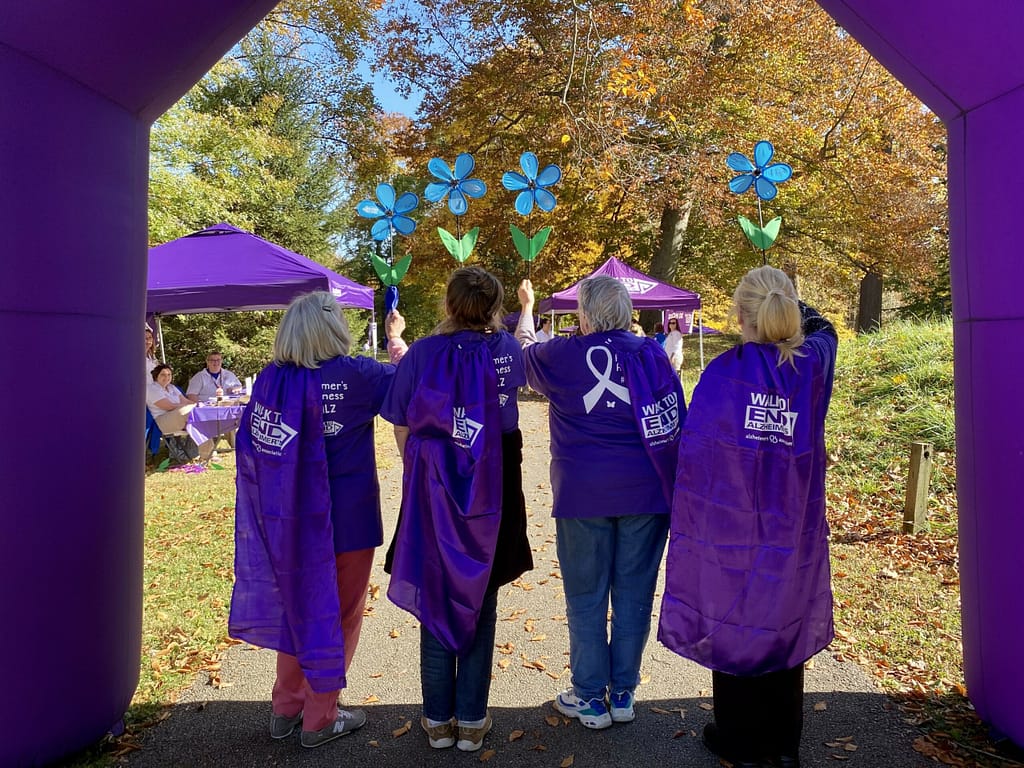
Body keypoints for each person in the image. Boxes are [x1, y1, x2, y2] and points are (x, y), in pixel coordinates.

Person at [658, 266, 838, 768]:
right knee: (782, 619)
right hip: (790, 523)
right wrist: (790, 301)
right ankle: (783, 744)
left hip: (734, 526)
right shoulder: (813, 364)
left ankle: (739, 737)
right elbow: (828, 331)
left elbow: (697, 455)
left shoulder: (722, 374)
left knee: (734, 616)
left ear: (739, 315)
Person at [228, 291, 406, 750]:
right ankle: (321, 715)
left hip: (287, 519)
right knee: (340, 616)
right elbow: (410, 386)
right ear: (334, 329)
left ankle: (286, 707)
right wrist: (396, 340)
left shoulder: (270, 380)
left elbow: (253, 444)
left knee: (295, 609)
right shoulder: (359, 374)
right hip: (347, 520)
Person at [515, 276, 685, 730]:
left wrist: (528, 307)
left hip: (582, 493)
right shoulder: (651, 353)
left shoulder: (562, 355)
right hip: (646, 493)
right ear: (628, 311)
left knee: (586, 597)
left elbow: (521, 353)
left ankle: (590, 696)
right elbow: (674, 415)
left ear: (584, 316)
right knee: (633, 596)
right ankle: (624, 692)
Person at [380, 266, 533, 753]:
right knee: (482, 595)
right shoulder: (506, 349)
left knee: (435, 588)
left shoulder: (423, 352)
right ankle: (471, 721)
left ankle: (438, 720)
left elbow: (401, 421)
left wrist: (419, 467)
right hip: (497, 475)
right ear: (494, 307)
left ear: (449, 304)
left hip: (434, 479)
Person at [146, 364, 201, 462]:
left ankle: (208, 453)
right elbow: (169, 406)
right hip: (162, 420)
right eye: (163, 375)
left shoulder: (172, 387)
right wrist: (186, 406)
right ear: (156, 376)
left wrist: (198, 405)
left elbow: (186, 401)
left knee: (199, 413)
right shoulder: (151, 389)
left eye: (169, 375)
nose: (166, 377)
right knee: (185, 411)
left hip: (179, 416)